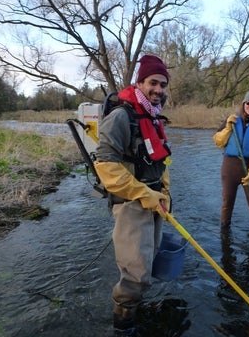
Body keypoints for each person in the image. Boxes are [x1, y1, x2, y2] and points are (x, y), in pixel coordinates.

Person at [94, 55, 172, 335]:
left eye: (163, 84)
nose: (159, 89)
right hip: (130, 204)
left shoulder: (152, 116)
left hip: (153, 202)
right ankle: (123, 326)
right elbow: (105, 166)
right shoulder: (121, 117)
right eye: (153, 82)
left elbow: (161, 162)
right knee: (135, 275)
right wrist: (144, 193)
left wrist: (164, 193)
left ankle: (135, 314)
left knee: (146, 267)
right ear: (140, 82)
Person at [213, 91, 249, 230]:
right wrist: (227, 128)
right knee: (227, 202)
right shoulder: (231, 120)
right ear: (244, 104)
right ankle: (224, 230)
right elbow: (218, 141)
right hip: (230, 167)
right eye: (248, 103)